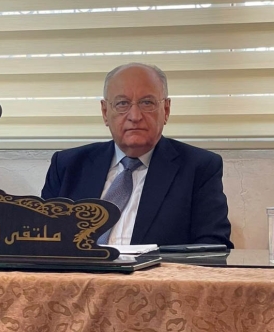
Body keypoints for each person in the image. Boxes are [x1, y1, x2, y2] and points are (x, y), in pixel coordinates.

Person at [41, 63, 233, 248]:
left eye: (147, 103)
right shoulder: (67, 166)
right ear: (105, 112)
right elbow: (40, 240)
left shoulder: (199, 168)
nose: (135, 116)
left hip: (160, 272)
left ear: (166, 110)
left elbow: (213, 248)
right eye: (122, 103)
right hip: (78, 272)